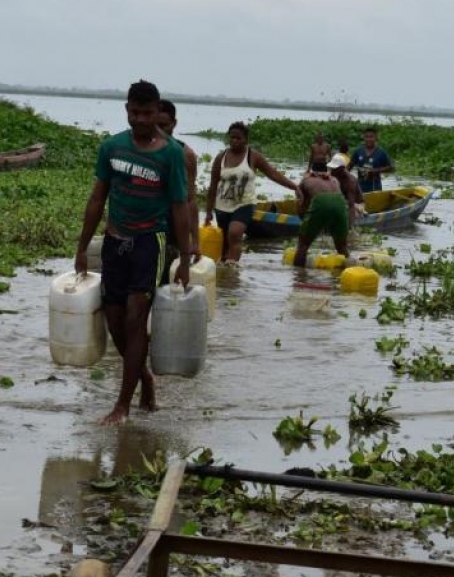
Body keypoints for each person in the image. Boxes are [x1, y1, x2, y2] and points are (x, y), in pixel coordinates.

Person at [74, 80, 192, 426]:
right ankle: (145, 379)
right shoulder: (112, 147)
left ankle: (122, 405)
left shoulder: (171, 153)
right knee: (114, 321)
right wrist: (82, 247)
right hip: (114, 241)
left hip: (148, 242)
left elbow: (180, 206)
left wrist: (185, 258)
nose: (140, 119)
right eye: (134, 112)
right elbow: (98, 198)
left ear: (158, 112)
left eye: (146, 113)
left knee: (135, 317)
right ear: (126, 109)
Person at [204, 122, 302, 264]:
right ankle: (226, 277)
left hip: (244, 204)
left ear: (246, 140)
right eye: (232, 138)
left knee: (235, 233)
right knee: (224, 241)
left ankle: (232, 266)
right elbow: (213, 186)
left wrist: (294, 186)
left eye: (238, 138)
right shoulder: (221, 158)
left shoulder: (252, 156)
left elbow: (273, 174)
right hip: (222, 205)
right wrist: (208, 212)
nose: (234, 141)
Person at [156, 99, 201, 278]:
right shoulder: (139, 149)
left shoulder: (186, 155)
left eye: (164, 125)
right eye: (155, 125)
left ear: (173, 124)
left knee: (166, 278)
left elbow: (190, 200)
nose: (159, 131)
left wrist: (195, 242)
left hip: (173, 226)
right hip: (145, 226)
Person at [293, 154, 356, 267]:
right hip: (340, 203)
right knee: (341, 247)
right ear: (327, 170)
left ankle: (298, 277)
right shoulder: (334, 180)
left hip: (321, 201)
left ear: (311, 170)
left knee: (303, 244)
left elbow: (300, 204)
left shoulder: (306, 180)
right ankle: (350, 270)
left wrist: (304, 224)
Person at [352, 127, 394, 193]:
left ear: (376, 138)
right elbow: (349, 166)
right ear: (363, 138)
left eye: (371, 137)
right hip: (360, 186)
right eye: (366, 137)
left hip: (375, 187)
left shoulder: (381, 153)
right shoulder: (358, 151)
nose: (369, 139)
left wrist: (375, 171)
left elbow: (391, 168)